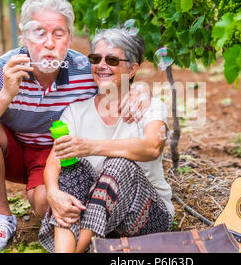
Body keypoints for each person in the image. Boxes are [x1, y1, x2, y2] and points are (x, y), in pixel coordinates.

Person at [0, 0, 148, 253]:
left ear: (69, 37)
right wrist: (6, 94)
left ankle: (82, 223)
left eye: (59, 34)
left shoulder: (86, 69)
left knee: (48, 205)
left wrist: (139, 89)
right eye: (39, 33)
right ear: (23, 37)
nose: (49, 43)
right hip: (11, 149)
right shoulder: (1, 69)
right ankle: (3, 218)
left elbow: (119, 79)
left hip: (57, 153)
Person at [38, 28, 175, 253]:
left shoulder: (150, 106)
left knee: (119, 163)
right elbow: (55, 160)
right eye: (95, 58)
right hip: (101, 213)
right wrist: (53, 193)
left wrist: (91, 146)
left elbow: (152, 147)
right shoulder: (76, 111)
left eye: (111, 60)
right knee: (69, 168)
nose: (102, 65)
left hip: (147, 218)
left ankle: (76, 250)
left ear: (132, 70)